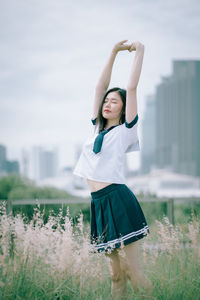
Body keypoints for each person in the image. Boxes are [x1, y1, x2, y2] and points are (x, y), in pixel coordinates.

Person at [73, 40, 152, 299]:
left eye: (114, 102)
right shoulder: (96, 127)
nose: (107, 104)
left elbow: (131, 86)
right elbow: (100, 86)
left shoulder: (126, 130)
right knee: (116, 275)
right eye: (106, 101)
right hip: (98, 203)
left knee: (133, 272)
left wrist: (138, 51)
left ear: (123, 107)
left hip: (118, 199)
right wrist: (113, 52)